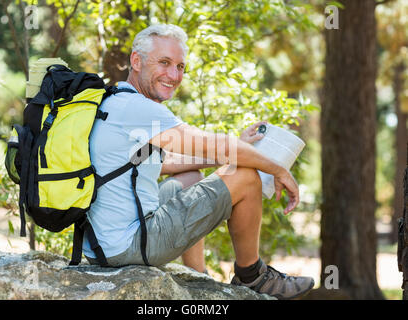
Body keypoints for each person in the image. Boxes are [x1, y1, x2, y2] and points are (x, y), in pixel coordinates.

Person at [83, 24, 314, 300]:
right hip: (128, 246)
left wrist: (232, 148)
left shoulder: (115, 102)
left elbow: (153, 163)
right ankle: (253, 276)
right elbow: (213, 144)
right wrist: (277, 168)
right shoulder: (139, 109)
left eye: (180, 66)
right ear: (136, 61)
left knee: (191, 176)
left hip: (101, 245)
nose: (173, 75)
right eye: (165, 63)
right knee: (246, 176)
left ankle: (199, 277)